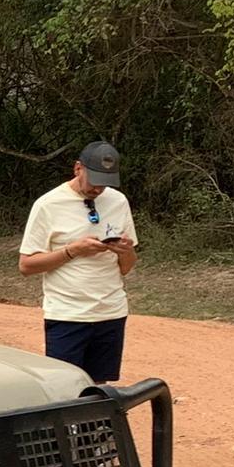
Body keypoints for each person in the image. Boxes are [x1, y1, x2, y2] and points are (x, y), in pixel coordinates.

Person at [18, 140, 138, 381]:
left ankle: (97, 421)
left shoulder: (118, 201)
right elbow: (26, 266)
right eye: (94, 180)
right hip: (67, 315)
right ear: (77, 169)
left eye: (105, 183)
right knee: (64, 387)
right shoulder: (47, 205)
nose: (98, 189)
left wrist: (124, 251)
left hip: (110, 312)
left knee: (98, 388)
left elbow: (126, 268)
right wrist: (72, 251)